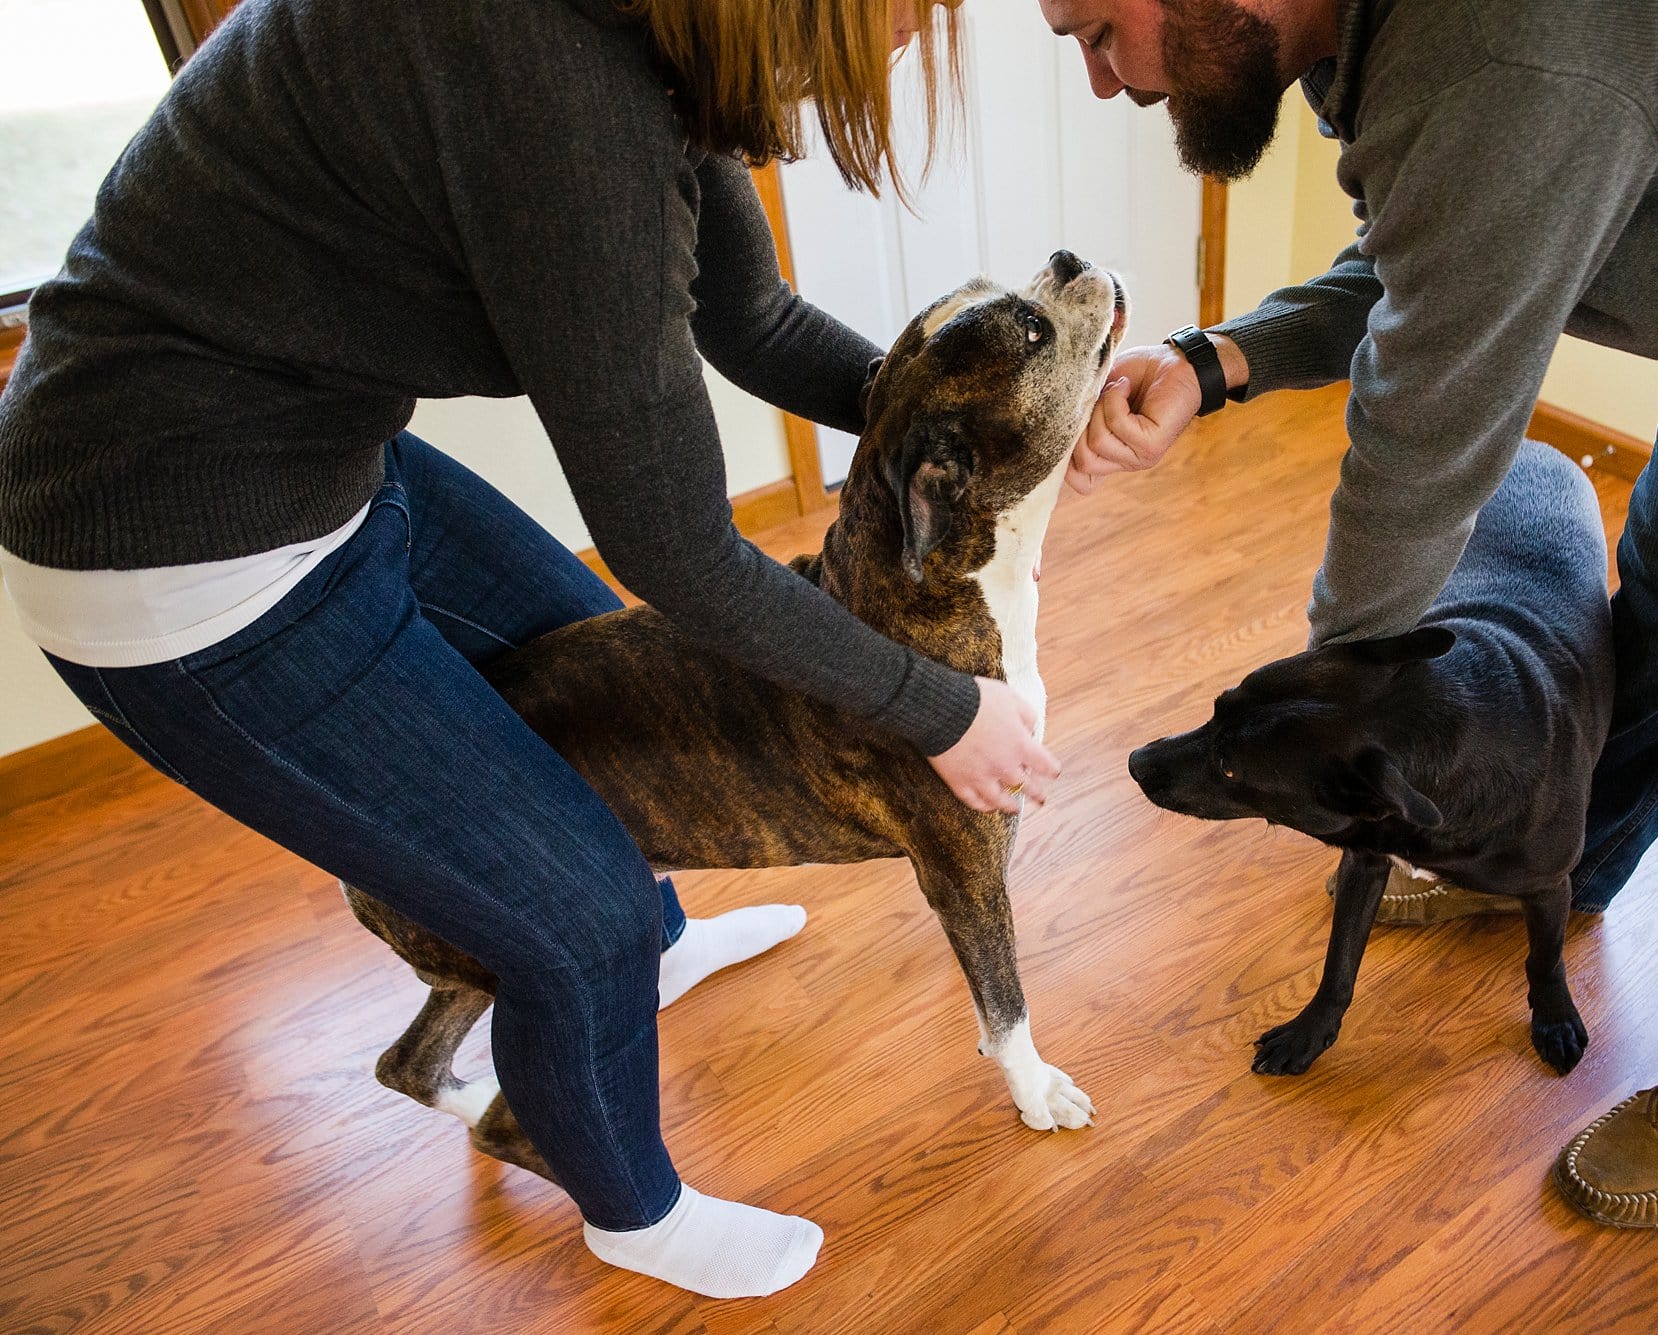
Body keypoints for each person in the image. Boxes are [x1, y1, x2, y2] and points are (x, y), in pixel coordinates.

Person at [0, 0, 1060, 1300]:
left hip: (320, 457)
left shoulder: (656, 40)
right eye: (920, 7)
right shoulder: (563, 88)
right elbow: (682, 555)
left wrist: (968, 422)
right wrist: (941, 707)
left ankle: (651, 951)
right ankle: (633, 1208)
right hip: (168, 543)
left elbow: (757, 320)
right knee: (580, 923)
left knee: (608, 678)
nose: (922, 32)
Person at [1040, 0, 1658, 1227]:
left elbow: (1424, 439)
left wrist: (1346, 706)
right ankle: (1569, 863)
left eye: (1094, 29)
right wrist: (1218, 356)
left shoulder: (1501, 43)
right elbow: (1441, 254)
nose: (1102, 82)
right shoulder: (1397, 50)